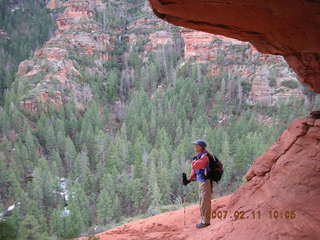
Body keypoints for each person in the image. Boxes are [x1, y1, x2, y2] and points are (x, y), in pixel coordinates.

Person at [182, 139, 212, 229]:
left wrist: (193, 162)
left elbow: (197, 165)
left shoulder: (205, 156)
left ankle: (206, 222)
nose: (194, 147)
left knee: (205, 201)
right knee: (201, 200)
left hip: (206, 182)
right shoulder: (198, 157)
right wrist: (188, 180)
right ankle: (203, 220)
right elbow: (194, 171)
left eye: (196, 145)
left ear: (201, 147)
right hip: (201, 182)